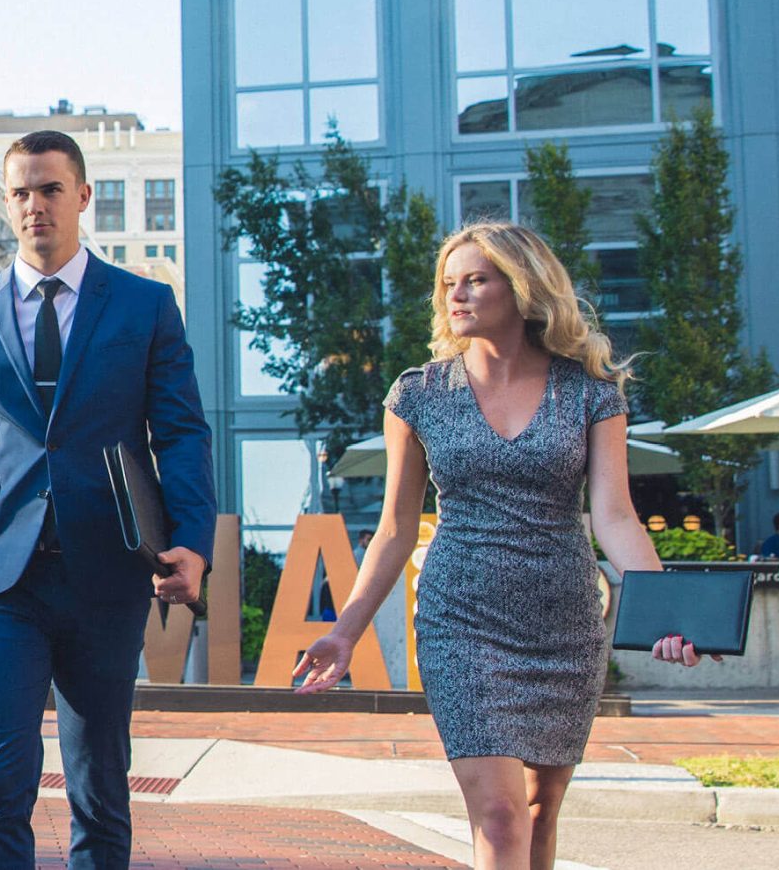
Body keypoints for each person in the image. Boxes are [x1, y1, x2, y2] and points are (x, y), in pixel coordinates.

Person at [293, 223, 712, 870]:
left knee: (542, 814)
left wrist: (665, 612)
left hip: (564, 625)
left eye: (476, 280)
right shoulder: (419, 395)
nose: (456, 296)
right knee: (499, 813)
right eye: (449, 283)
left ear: (522, 289)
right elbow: (396, 530)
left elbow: (616, 516)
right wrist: (346, 631)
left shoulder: (592, 393)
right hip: (461, 621)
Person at [0, 130, 215, 869]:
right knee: (0, 779)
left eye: (51, 189)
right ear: (7, 204)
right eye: (21, 192)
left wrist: (191, 540)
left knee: (99, 781)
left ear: (84, 197)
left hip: (107, 572)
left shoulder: (144, 307)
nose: (35, 206)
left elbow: (182, 434)